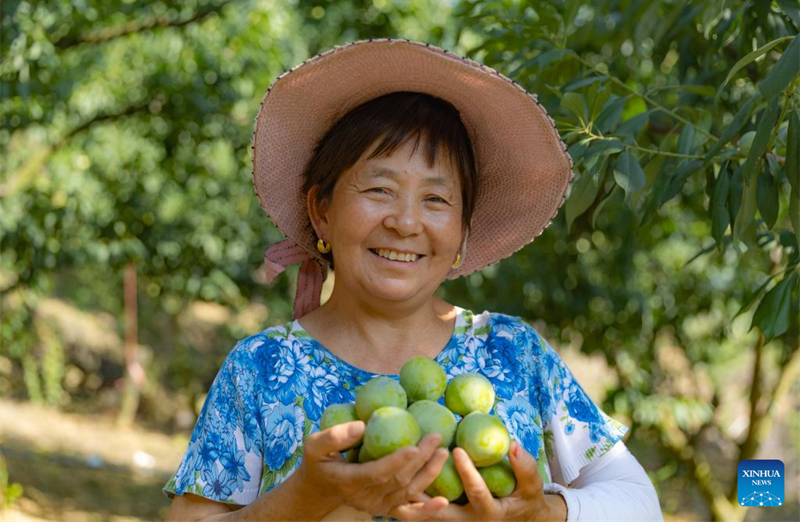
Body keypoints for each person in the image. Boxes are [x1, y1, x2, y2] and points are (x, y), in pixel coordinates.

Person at [163, 38, 663, 522]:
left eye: (436, 199)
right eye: (380, 188)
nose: (405, 222)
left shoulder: (513, 353)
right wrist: (307, 497)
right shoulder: (261, 368)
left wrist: (542, 514)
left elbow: (640, 505)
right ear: (321, 212)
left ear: (463, 232)